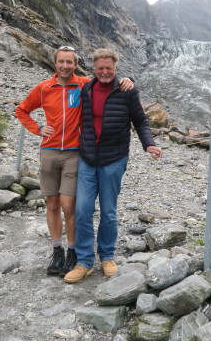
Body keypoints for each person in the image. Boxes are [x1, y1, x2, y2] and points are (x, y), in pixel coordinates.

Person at [15, 46, 134, 277]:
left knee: (70, 206)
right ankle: (57, 250)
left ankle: (74, 252)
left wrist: (129, 80)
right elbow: (22, 110)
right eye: (62, 62)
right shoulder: (43, 88)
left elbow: (106, 78)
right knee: (52, 204)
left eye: (70, 62)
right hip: (49, 151)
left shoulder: (83, 84)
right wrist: (38, 129)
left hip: (73, 153)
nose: (65, 66)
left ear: (75, 63)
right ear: (55, 63)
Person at [64, 48, 162, 284]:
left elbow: (140, 120)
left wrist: (148, 143)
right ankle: (85, 261)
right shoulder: (86, 88)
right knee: (83, 210)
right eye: (100, 68)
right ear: (94, 69)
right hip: (88, 158)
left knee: (108, 212)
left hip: (114, 160)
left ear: (116, 68)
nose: (105, 71)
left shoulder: (127, 90)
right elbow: (63, 82)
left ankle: (107, 256)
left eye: (109, 68)